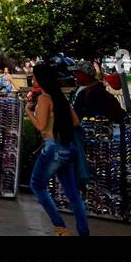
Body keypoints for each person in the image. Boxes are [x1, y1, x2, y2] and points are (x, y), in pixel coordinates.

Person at [28, 60, 89, 236]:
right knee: (73, 195)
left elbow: (40, 126)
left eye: (34, 76)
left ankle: (60, 227)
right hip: (67, 148)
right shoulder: (60, 97)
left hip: (52, 148)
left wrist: (28, 111)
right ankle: (84, 232)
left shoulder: (44, 98)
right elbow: (76, 122)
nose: (32, 79)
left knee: (37, 185)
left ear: (40, 79)